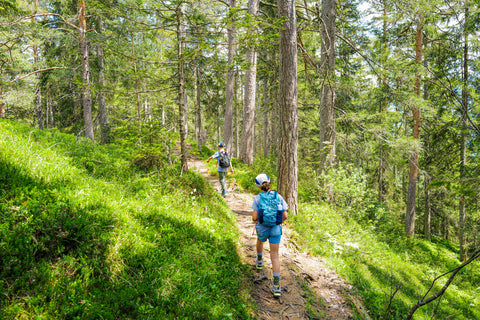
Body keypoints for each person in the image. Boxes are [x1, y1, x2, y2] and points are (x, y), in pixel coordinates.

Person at [251, 173, 289, 297]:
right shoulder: (278, 196)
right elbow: (285, 216)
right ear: (269, 182)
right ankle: (277, 286)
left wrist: (259, 220)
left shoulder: (258, 198)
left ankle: (260, 261)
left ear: (259, 187)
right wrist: (277, 222)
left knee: (259, 241)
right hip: (275, 229)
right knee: (275, 255)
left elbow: (254, 217)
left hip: (262, 228)